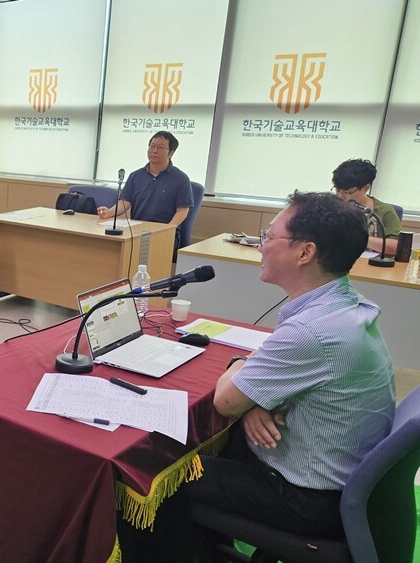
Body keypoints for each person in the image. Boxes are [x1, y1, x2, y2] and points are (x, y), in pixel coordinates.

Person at [120, 191, 395, 562]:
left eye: (269, 236)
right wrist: (253, 400)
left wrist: (242, 387)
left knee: (151, 474)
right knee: (213, 439)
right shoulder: (339, 305)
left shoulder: (312, 331)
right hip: (331, 476)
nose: (261, 246)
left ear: (305, 253)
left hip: (306, 498)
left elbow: (226, 400)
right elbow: (254, 378)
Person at [97, 131, 192, 251]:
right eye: (152, 146)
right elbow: (124, 202)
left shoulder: (180, 179)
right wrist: (109, 212)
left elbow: (182, 211)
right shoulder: (136, 176)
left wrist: (166, 230)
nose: (154, 151)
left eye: (160, 147)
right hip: (137, 231)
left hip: (164, 232)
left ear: (171, 153)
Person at [331, 158, 402, 255]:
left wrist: (359, 239)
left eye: (347, 192)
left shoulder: (384, 212)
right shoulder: (330, 206)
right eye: (338, 190)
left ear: (366, 188)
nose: (340, 196)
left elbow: (395, 247)